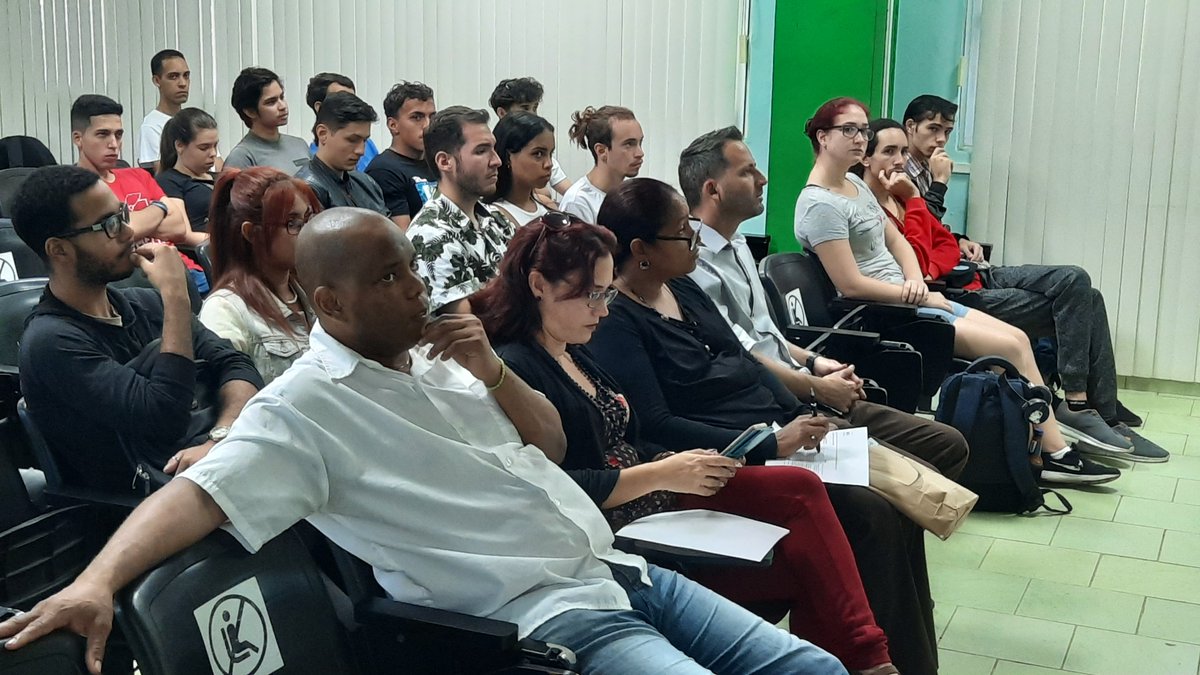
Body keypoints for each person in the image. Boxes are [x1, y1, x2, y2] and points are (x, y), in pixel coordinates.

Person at [0, 208, 845, 675]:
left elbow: (547, 447)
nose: (418, 288)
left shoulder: (444, 354)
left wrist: (495, 372)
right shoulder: (304, 409)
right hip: (546, 622)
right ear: (329, 305)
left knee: (818, 671)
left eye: (411, 267)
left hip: (619, 574)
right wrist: (96, 580)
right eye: (390, 278)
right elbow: (197, 492)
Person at [476, 215, 899, 674]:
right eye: (592, 294)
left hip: (654, 487)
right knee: (809, 551)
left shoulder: (573, 344)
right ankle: (864, 658)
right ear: (539, 284)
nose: (603, 309)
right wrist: (667, 470)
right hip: (626, 517)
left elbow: (636, 429)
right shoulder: (518, 365)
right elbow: (558, 485)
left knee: (803, 502)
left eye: (607, 292)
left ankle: (860, 656)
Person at [589, 177, 943, 674]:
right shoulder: (617, 320)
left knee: (892, 507)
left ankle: (887, 657)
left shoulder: (685, 288)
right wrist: (767, 444)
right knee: (866, 513)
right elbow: (656, 424)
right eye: (681, 235)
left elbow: (747, 359)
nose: (694, 242)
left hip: (774, 433)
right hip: (715, 461)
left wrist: (797, 413)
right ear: (641, 249)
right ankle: (867, 658)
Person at [794, 97, 1122, 485]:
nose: (858, 138)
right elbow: (850, 284)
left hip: (912, 297)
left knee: (1018, 338)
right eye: (849, 130)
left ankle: (1048, 443)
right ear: (822, 137)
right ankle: (1056, 453)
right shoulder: (819, 204)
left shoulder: (852, 185)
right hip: (888, 312)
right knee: (1011, 349)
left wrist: (915, 280)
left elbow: (897, 242)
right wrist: (911, 295)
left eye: (863, 130)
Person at [858, 118, 1166, 463]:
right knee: (1085, 302)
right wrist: (917, 203)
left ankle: (1090, 404)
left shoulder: (901, 196)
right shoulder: (876, 207)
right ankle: (1086, 406)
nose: (900, 160)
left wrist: (946, 245)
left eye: (901, 151)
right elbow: (919, 263)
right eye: (890, 152)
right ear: (865, 159)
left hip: (974, 274)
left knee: (1077, 281)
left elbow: (942, 245)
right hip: (953, 295)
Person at [679, 126, 969, 478]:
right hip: (777, 402)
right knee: (916, 476)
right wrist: (817, 388)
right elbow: (742, 355)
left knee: (950, 445)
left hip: (804, 382)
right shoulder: (693, 266)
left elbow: (767, 334)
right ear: (714, 190)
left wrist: (818, 362)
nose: (763, 178)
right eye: (747, 172)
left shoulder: (738, 244)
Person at [9, 165, 262, 494]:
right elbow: (165, 417)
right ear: (59, 250)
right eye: (109, 226)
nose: (129, 232)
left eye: (122, 214)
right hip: (136, 510)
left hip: (211, 468)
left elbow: (238, 365)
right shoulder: (51, 342)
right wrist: (175, 296)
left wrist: (222, 436)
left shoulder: (145, 304)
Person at [71, 95, 208, 291]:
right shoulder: (78, 187)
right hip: (137, 283)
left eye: (118, 135)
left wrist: (131, 223)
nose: (114, 144)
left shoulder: (138, 175)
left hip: (186, 270)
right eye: (103, 134)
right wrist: (160, 209)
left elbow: (178, 228)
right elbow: (116, 237)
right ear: (78, 138)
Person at [199, 167, 321, 384]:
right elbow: (232, 400)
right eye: (293, 224)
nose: (307, 232)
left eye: (309, 219)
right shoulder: (224, 311)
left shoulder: (314, 290)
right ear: (251, 233)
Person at [407, 106, 513, 315]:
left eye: (494, 149)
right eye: (481, 151)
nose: (497, 161)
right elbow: (471, 327)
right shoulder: (431, 236)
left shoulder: (496, 219)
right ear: (445, 162)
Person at [294, 92, 386, 213]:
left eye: (364, 140)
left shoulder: (367, 183)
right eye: (352, 140)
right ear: (323, 134)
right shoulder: (305, 190)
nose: (361, 151)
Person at [365, 81, 438, 230]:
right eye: (417, 117)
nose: (427, 125)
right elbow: (403, 239)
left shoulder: (437, 162)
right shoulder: (384, 170)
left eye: (432, 117)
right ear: (393, 125)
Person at [488, 76, 572, 196]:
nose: (533, 114)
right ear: (502, 113)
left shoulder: (543, 150)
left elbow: (570, 191)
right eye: (525, 108)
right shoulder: (490, 154)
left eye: (535, 108)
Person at [559, 106, 643, 222]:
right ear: (602, 151)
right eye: (629, 144)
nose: (640, 153)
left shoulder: (631, 197)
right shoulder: (578, 203)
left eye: (640, 143)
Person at [223, 67, 310, 175]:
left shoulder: (299, 144)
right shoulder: (242, 157)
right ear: (250, 111)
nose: (283, 106)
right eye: (271, 102)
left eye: (282, 97)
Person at [485, 112, 557, 228]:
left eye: (550, 153)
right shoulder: (493, 219)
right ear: (508, 157)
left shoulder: (549, 208)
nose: (549, 164)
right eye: (538, 154)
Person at [155, 108, 218, 229]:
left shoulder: (219, 177)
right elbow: (184, 234)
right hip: (202, 245)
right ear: (180, 146)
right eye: (204, 148)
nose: (213, 153)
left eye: (215, 145)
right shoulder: (168, 182)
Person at [304, 72, 380, 172]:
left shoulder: (368, 144)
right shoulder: (310, 158)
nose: (361, 150)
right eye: (340, 99)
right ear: (320, 108)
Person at [138, 49, 189, 169]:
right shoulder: (151, 126)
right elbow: (161, 175)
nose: (183, 83)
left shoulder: (194, 121)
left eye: (186, 75)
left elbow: (218, 166)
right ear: (157, 81)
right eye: (173, 77)